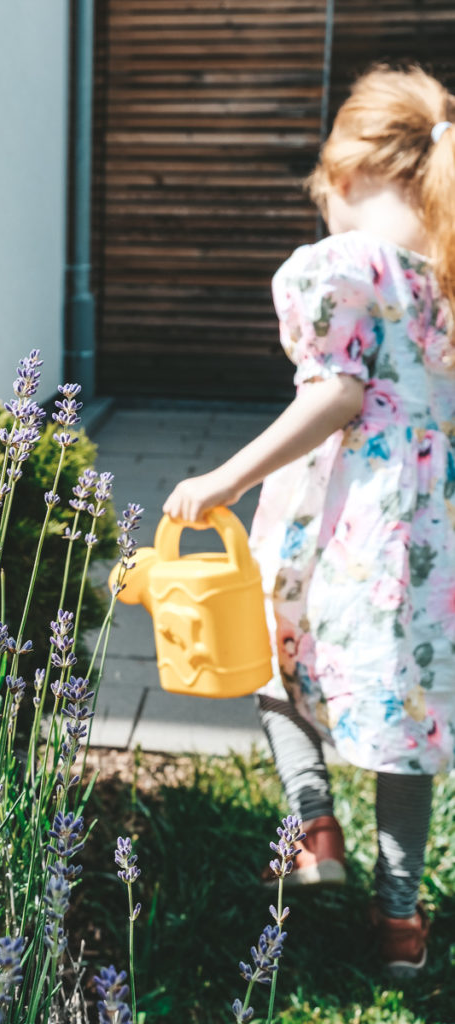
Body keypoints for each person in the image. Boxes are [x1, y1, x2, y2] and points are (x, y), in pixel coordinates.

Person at [163, 65, 455, 978]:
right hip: (432, 540)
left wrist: (226, 476)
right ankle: (399, 926)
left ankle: (311, 823)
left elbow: (333, 396)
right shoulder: (445, 280)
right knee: (408, 729)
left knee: (269, 659)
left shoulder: (344, 263)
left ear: (342, 175)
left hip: (350, 527)